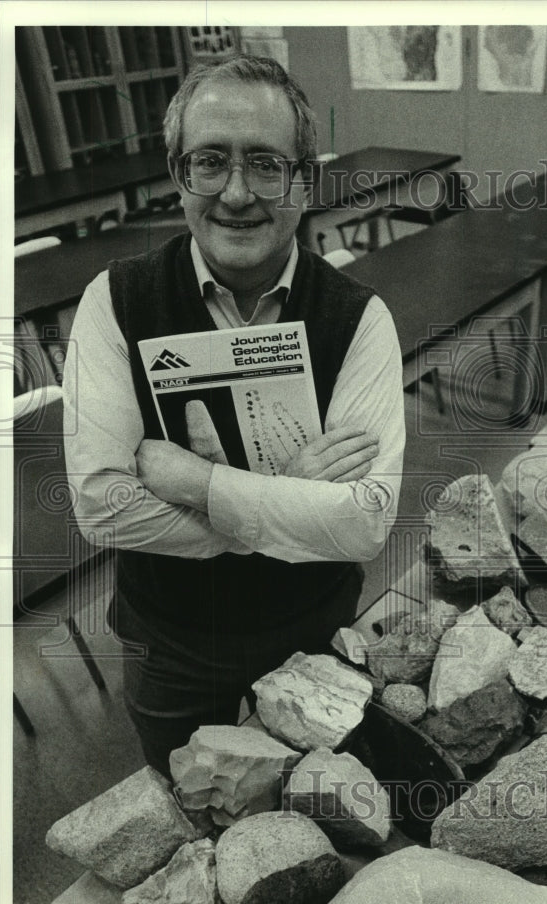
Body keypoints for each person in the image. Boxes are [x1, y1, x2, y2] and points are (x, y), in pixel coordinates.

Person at [62, 56, 405, 776]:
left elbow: (365, 521)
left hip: (315, 633)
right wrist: (284, 499)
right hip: (171, 646)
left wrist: (198, 483)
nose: (238, 193)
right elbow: (102, 506)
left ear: (304, 180)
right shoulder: (114, 301)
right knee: (190, 807)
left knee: (318, 814)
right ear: (177, 176)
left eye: (265, 164)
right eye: (210, 162)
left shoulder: (360, 319)